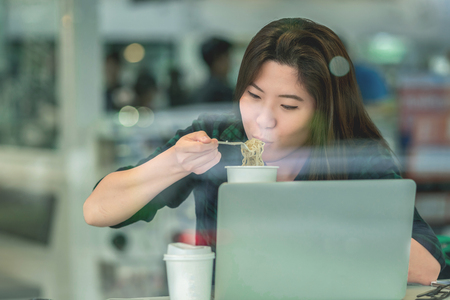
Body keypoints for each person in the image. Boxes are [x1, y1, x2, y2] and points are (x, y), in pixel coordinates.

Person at [84, 18, 444, 285]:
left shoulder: (351, 154)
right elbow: (98, 209)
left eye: (288, 106)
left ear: (324, 111)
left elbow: (429, 267)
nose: (263, 120)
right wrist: (173, 162)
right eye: (253, 97)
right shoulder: (219, 135)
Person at [189, 37, 234, 104]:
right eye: (227, 57)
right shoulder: (221, 93)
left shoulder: (201, 91)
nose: (230, 62)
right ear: (218, 61)